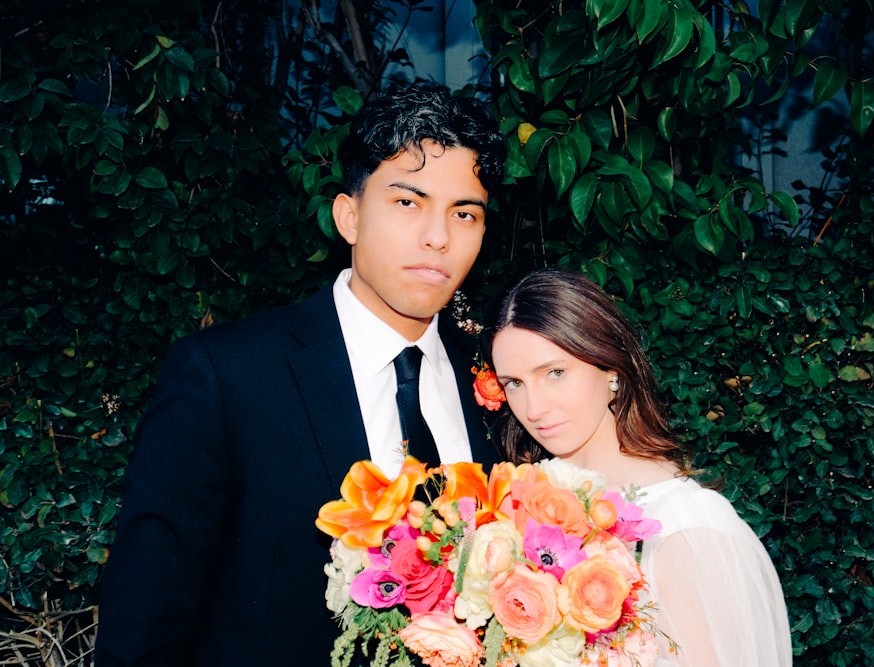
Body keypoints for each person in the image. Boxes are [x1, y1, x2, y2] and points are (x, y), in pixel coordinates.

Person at [95, 82, 506, 666]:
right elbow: (145, 622)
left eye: (464, 213)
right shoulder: (227, 376)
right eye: (408, 202)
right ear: (349, 216)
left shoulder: (501, 381)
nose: (438, 237)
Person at [488, 268, 793, 667]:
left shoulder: (684, 523)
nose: (534, 408)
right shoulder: (515, 507)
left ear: (612, 369)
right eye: (514, 382)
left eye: (555, 373)